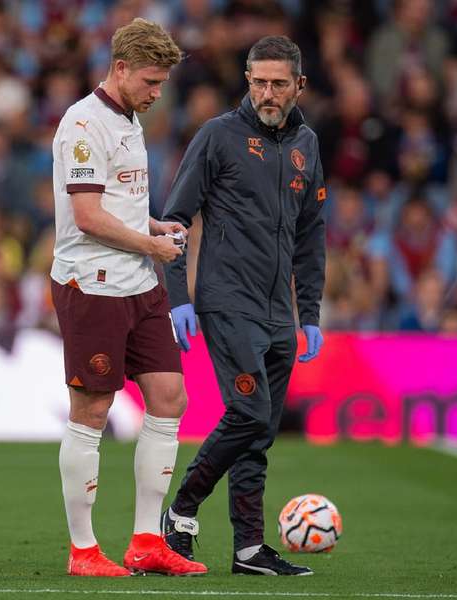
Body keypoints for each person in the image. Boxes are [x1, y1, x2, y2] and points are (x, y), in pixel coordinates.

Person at [160, 35, 326, 576]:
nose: (267, 93)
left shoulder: (307, 145)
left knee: (260, 433)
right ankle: (182, 510)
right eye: (259, 82)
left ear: (299, 85)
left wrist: (312, 311)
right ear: (247, 81)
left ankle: (250, 549)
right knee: (249, 413)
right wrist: (178, 298)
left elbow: (311, 233)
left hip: (280, 312)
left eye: (279, 83)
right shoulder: (218, 137)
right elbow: (174, 222)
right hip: (228, 302)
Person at [50, 18, 206, 577]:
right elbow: (88, 216)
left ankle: (146, 541)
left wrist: (153, 225)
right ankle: (83, 550)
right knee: (92, 409)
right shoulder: (84, 124)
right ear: (119, 69)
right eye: (149, 81)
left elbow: (117, 201)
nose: (156, 93)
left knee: (169, 398)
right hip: (92, 285)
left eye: (161, 83)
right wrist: (150, 243)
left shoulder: (129, 118)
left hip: (140, 282)